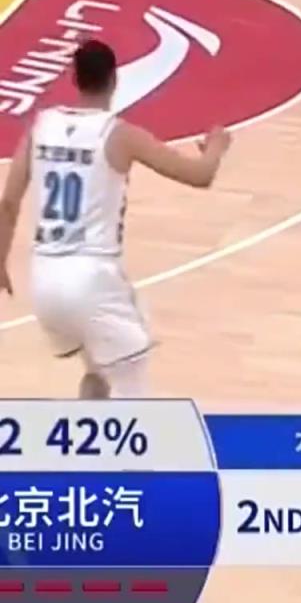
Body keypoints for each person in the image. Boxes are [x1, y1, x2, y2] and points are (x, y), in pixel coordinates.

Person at [0, 39, 230, 399]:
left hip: (43, 280)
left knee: (97, 372)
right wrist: (216, 146)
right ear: (114, 79)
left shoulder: (41, 126)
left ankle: (86, 428)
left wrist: (0, 261)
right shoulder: (120, 135)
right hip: (91, 278)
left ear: (74, 79)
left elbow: (8, 203)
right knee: (132, 385)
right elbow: (199, 175)